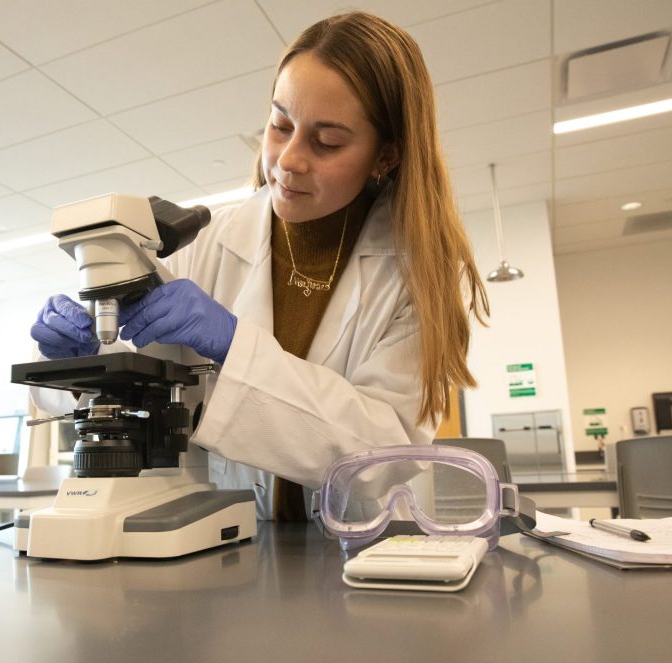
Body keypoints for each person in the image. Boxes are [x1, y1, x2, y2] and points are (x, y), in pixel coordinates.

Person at [30, 11, 488, 521]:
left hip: (357, 552)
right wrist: (74, 362)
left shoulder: (417, 277)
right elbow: (133, 388)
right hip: (223, 543)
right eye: (280, 125)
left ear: (385, 156)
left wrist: (236, 348)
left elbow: (383, 453)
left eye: (327, 141)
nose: (288, 159)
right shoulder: (206, 245)